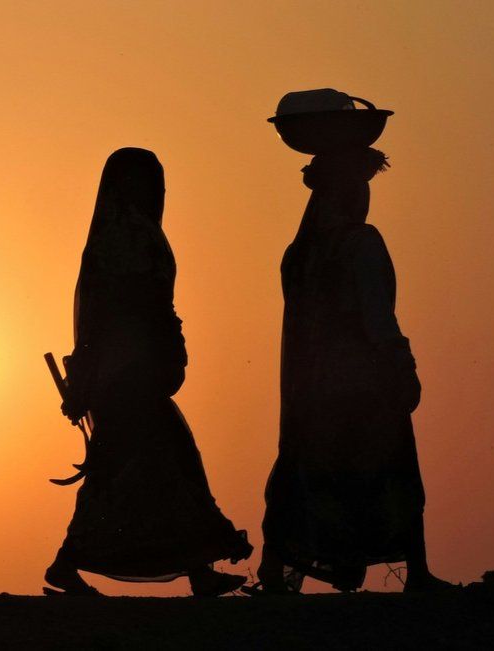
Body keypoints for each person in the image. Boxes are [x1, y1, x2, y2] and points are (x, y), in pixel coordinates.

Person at [46, 147, 252, 596]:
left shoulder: (123, 235)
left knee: (151, 467)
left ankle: (195, 568)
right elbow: (133, 309)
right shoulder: (129, 238)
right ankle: (71, 561)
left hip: (128, 372)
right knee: (145, 466)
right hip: (129, 374)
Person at [254, 148, 453, 593]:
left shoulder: (298, 254)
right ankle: (417, 572)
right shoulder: (361, 242)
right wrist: (402, 364)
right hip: (363, 381)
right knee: (391, 470)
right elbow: (378, 315)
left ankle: (277, 568)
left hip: (313, 386)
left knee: (310, 473)